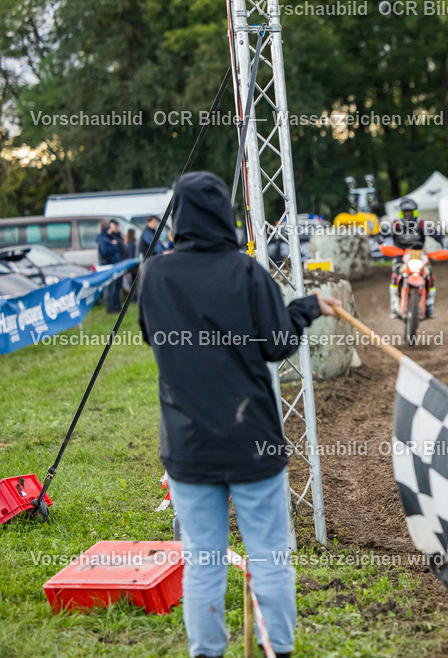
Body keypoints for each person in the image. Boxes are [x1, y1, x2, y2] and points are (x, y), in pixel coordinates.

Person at [139, 171, 342, 658]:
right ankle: (280, 650)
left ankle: (206, 651)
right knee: (270, 557)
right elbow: (278, 343)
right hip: (252, 440)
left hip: (188, 444)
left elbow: (151, 336)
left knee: (202, 561)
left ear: (178, 215)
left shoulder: (153, 275)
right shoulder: (247, 272)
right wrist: (306, 308)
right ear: (222, 214)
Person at [387, 198, 443, 319]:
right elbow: (383, 235)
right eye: (405, 212)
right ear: (402, 212)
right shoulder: (396, 225)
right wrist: (382, 242)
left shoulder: (422, 224)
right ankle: (394, 305)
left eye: (410, 212)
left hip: (419, 255)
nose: (408, 214)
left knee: (430, 275)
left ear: (414, 212)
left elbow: (438, 235)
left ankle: (429, 305)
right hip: (401, 255)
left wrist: (444, 245)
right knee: (395, 275)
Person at [97, 219, 125, 313]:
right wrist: (113, 245)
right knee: (111, 288)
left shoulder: (109, 237)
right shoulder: (103, 239)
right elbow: (105, 252)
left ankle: (116, 307)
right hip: (109, 267)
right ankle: (111, 308)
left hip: (115, 265)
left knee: (115, 287)